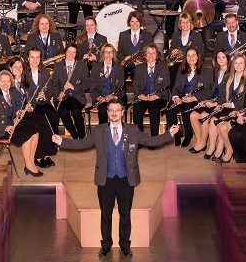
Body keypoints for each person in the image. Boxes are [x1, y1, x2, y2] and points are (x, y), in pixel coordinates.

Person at [51, 100, 177, 259]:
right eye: (111, 110)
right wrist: (61, 141)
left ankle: (125, 245)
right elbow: (82, 143)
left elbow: (150, 141)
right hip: (106, 179)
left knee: (125, 214)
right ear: (108, 112)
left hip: (126, 179)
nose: (114, 113)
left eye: (117, 110)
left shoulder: (132, 130)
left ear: (123, 112)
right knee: (106, 214)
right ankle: (106, 245)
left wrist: (169, 134)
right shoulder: (99, 130)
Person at [0, 67, 55, 176]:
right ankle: (29, 165)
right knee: (27, 134)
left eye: (8, 81)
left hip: (11, 124)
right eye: (2, 81)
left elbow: (11, 111)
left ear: (11, 82)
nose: (5, 84)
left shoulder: (11, 93)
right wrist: (4, 127)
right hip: (0, 130)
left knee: (35, 128)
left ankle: (31, 161)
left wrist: (17, 114)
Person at [214, 57, 246, 162]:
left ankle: (241, 158)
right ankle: (234, 152)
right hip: (242, 112)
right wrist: (237, 110)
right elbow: (242, 100)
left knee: (228, 129)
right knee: (222, 128)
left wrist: (241, 113)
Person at [196, 52, 244, 160]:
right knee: (213, 120)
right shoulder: (229, 77)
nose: (238, 65)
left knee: (221, 121)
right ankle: (212, 146)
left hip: (238, 108)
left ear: (245, 65)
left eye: (241, 63)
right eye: (236, 63)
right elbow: (223, 95)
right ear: (233, 64)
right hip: (226, 106)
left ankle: (222, 147)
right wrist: (220, 104)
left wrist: (231, 105)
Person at [22, 49, 61, 167]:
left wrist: (45, 95)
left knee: (54, 116)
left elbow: (50, 91)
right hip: (31, 106)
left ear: (40, 59)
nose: (35, 60)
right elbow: (23, 94)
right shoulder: (23, 73)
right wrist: (34, 99)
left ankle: (50, 149)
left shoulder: (44, 72)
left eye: (37, 57)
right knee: (41, 121)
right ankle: (39, 155)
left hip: (43, 103)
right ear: (28, 59)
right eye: (32, 57)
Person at [189, 50, 230, 156]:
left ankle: (203, 143)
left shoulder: (231, 74)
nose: (220, 60)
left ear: (228, 59)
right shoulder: (213, 73)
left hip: (222, 104)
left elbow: (228, 96)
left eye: (223, 57)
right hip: (211, 101)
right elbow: (208, 90)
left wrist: (214, 104)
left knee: (204, 116)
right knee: (193, 115)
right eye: (218, 57)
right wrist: (205, 100)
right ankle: (200, 141)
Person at [167, 47, 207, 148]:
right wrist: (175, 97)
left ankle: (188, 136)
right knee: (170, 110)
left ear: (197, 57)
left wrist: (194, 98)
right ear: (186, 57)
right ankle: (176, 134)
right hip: (181, 97)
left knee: (186, 112)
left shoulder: (205, 71)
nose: (191, 58)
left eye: (193, 55)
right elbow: (176, 87)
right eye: (188, 55)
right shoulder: (181, 69)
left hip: (194, 98)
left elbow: (207, 90)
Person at [131, 45, 170, 142]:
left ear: (157, 55)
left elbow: (167, 85)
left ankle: (154, 139)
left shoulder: (163, 67)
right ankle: (139, 139)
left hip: (159, 97)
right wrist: (140, 95)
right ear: (145, 55)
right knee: (137, 109)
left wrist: (156, 96)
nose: (151, 55)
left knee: (153, 109)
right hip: (143, 96)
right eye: (148, 53)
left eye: (153, 53)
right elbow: (135, 85)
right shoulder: (139, 68)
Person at [53, 44, 89, 140]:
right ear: (65, 52)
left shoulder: (82, 66)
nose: (71, 54)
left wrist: (74, 87)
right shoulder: (57, 66)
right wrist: (58, 95)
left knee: (76, 112)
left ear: (76, 54)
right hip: (62, 97)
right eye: (69, 51)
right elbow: (54, 85)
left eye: (74, 52)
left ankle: (82, 138)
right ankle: (74, 136)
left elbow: (86, 84)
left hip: (76, 97)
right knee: (63, 112)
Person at [89, 45, 126, 124]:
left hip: (115, 98)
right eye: (106, 52)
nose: (108, 55)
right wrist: (100, 97)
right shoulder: (96, 67)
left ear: (114, 54)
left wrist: (114, 97)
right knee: (102, 110)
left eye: (111, 52)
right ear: (103, 54)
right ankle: (104, 133)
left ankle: (115, 132)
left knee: (115, 110)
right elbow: (92, 86)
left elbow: (121, 87)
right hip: (101, 98)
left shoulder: (119, 68)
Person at [167, 13, 204, 81]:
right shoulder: (175, 35)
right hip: (178, 63)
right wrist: (173, 51)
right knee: (172, 70)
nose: (185, 24)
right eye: (183, 22)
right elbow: (171, 50)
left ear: (190, 23)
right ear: (180, 24)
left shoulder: (196, 35)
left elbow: (201, 53)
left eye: (187, 22)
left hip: (192, 62)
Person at [117, 11, 150, 78]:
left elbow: (151, 53)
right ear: (129, 22)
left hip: (142, 66)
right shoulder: (123, 35)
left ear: (140, 22)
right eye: (132, 21)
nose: (135, 24)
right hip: (126, 66)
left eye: (137, 21)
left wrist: (143, 62)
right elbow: (119, 53)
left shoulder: (148, 35)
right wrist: (124, 58)